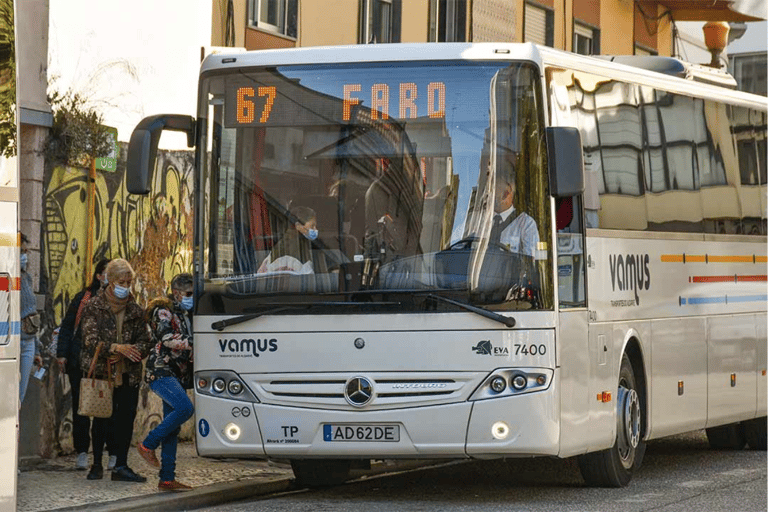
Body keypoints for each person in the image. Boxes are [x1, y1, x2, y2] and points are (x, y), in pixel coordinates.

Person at [79, 258, 151, 482]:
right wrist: (115, 348)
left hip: (128, 374)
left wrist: (133, 350)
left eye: (129, 282)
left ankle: (121, 465)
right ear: (110, 281)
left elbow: (146, 341)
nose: (125, 286)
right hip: (103, 373)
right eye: (121, 281)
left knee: (125, 419)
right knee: (101, 419)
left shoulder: (136, 310)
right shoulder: (94, 306)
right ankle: (97, 463)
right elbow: (89, 340)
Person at [56, 259, 116, 471]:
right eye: (106, 273)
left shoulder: (119, 300)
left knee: (106, 408)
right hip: (78, 360)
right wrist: (62, 354)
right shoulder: (83, 298)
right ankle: (81, 451)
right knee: (80, 407)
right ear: (99, 276)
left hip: (106, 363)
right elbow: (67, 326)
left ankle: (107, 452)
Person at [137, 273, 195, 492]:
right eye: (188, 294)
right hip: (161, 371)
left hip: (176, 374)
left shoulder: (186, 313)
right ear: (177, 292)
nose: (191, 297)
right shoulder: (164, 311)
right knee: (185, 408)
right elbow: (167, 338)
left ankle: (167, 479)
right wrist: (194, 341)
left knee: (173, 427)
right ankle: (147, 444)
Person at [490, 160, 539, 257]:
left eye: (493, 189)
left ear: (506, 193)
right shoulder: (479, 220)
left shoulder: (526, 224)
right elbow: (456, 243)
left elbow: (531, 263)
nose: (488, 193)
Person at [257, 206, 319, 274]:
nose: (315, 229)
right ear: (298, 226)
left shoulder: (299, 244)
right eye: (312, 226)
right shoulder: (290, 250)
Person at [19, 233, 42, 405]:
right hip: (14, 341)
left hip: (28, 341)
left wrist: (36, 351)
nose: (25, 256)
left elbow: (32, 312)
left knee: (21, 395)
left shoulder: (26, 278)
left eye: (26, 252)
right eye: (21, 251)